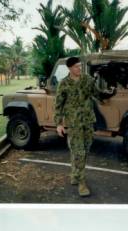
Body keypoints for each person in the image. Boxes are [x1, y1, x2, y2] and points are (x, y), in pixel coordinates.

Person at [54, 56, 116, 197]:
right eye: (76, 66)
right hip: (73, 123)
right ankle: (81, 183)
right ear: (70, 68)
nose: (79, 68)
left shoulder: (87, 80)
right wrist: (58, 123)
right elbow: (58, 105)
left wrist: (109, 93)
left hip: (87, 121)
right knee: (79, 152)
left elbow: (97, 94)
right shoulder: (64, 84)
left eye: (80, 66)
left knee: (85, 149)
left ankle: (75, 174)